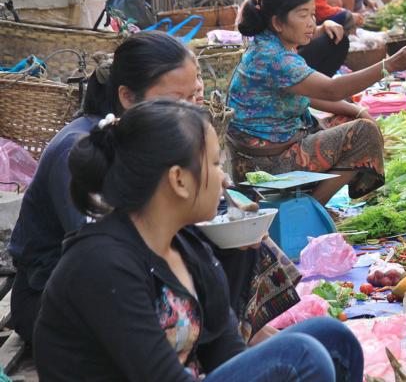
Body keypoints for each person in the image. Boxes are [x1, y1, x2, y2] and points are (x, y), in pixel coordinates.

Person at [33, 100, 364, 381]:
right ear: (178, 179)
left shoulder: (188, 247)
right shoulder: (101, 263)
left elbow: (226, 352)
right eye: (214, 163)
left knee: (333, 338)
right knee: (300, 355)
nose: (222, 177)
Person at [9, 33, 300, 349]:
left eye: (195, 98)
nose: (191, 113)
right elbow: (103, 257)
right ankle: (214, 345)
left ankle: (235, 337)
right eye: (177, 100)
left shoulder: (154, 141)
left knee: (237, 241)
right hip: (67, 299)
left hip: (128, 273)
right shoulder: (81, 150)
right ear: (128, 97)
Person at [227, 0, 406, 203]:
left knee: (348, 118)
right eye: (303, 15)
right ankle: (312, 208)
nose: (311, 22)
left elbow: (310, 95)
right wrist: (389, 65)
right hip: (265, 166)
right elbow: (332, 90)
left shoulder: (269, 44)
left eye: (313, 14)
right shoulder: (274, 58)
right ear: (278, 23)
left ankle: (308, 200)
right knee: (364, 133)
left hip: (264, 154)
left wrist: (357, 110)